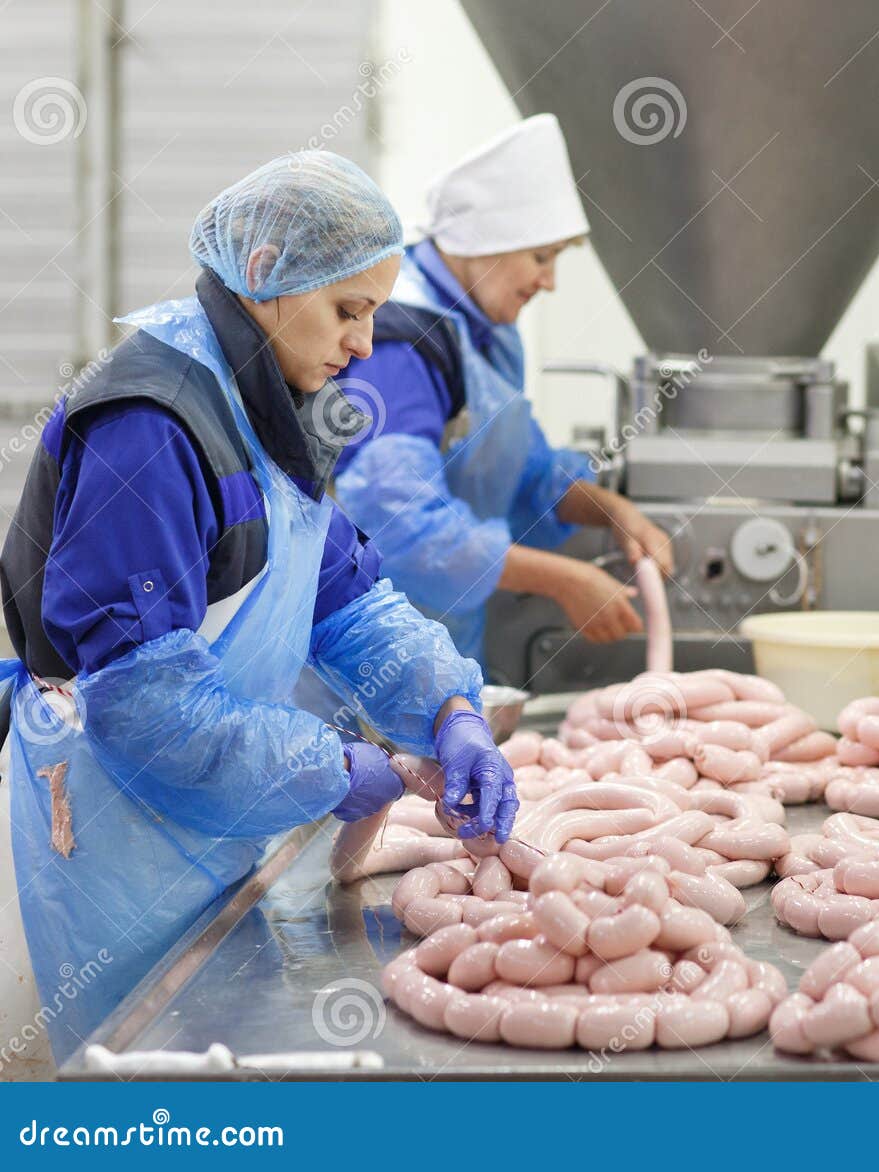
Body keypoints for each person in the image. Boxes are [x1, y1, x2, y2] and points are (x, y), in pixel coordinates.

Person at [0, 153, 518, 1070]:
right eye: (348, 310)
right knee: (133, 1076)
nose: (365, 345)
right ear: (270, 274)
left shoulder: (276, 405)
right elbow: (145, 712)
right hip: (114, 837)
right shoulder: (153, 426)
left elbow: (348, 600)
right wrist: (331, 766)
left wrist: (451, 709)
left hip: (206, 821)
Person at [333, 115, 673, 666]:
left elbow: (528, 472)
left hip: (438, 653)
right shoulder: (399, 346)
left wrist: (614, 513)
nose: (550, 281)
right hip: (362, 664)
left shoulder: (482, 336)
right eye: (541, 257)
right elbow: (400, 524)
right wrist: (564, 580)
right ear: (482, 243)